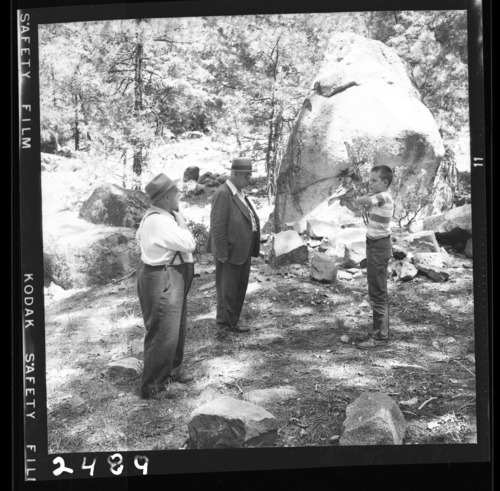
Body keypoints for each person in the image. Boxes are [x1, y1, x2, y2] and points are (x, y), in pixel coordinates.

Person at [136, 173, 196, 399]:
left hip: (170, 276)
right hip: (163, 278)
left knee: (175, 327)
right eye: (174, 191)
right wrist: (182, 222)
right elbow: (188, 243)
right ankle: (152, 386)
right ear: (165, 197)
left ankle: (172, 370)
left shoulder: (162, 216)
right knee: (162, 331)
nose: (178, 194)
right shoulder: (158, 221)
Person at [207, 158, 260, 333]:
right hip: (229, 252)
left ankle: (232, 323)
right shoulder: (223, 194)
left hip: (242, 250)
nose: (249, 178)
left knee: (238, 288)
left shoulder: (239, 193)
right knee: (227, 290)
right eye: (247, 175)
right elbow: (217, 226)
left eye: (250, 175)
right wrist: (222, 253)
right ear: (235, 174)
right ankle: (224, 325)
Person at [352, 165, 394, 349]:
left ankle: (380, 337)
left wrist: (358, 197)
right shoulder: (381, 195)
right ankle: (380, 332)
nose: (371, 183)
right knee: (376, 290)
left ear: (385, 182)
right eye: (370, 180)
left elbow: (362, 200)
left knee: (377, 292)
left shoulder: (383, 196)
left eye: (374, 180)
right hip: (375, 245)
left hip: (378, 247)